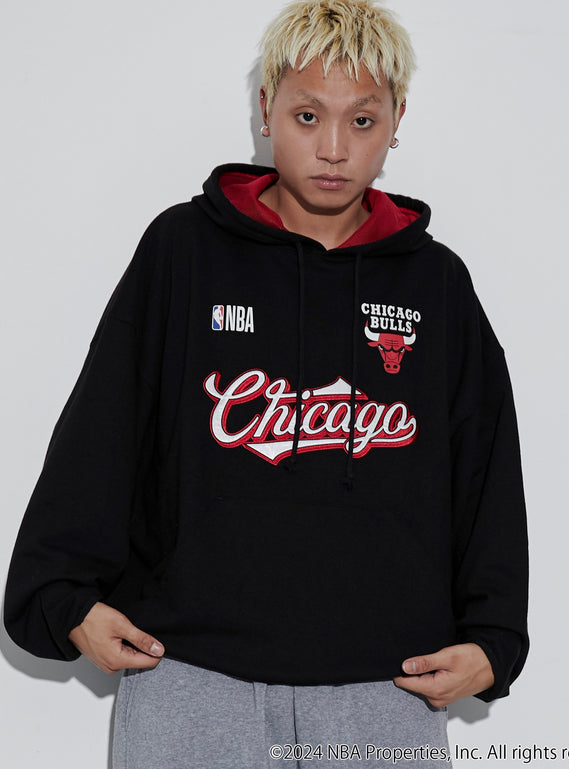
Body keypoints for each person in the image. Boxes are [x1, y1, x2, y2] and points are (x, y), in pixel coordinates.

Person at [4, 0, 529, 766]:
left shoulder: (435, 283)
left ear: (396, 121)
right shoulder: (184, 250)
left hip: (386, 684)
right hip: (187, 671)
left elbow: (485, 464)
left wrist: (493, 636)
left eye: (361, 121)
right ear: (265, 108)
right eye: (307, 115)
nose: (332, 148)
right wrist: (63, 594)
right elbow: (107, 424)